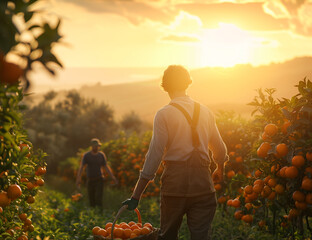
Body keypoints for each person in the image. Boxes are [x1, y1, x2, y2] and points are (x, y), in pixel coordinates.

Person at [122, 65, 228, 240]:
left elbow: (154, 156)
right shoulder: (206, 112)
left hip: (175, 185)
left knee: (168, 236)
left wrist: (136, 195)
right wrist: (220, 169)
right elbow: (220, 149)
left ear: (165, 86)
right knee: (201, 237)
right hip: (203, 184)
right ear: (187, 83)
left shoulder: (164, 114)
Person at [76, 138, 118, 208]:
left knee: (99, 198)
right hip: (90, 180)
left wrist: (113, 177)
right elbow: (81, 167)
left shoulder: (101, 155)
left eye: (98, 146)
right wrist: (78, 179)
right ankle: (93, 216)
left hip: (99, 179)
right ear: (91, 146)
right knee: (91, 199)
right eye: (95, 146)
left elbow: (106, 167)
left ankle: (100, 214)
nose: (97, 147)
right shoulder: (86, 155)